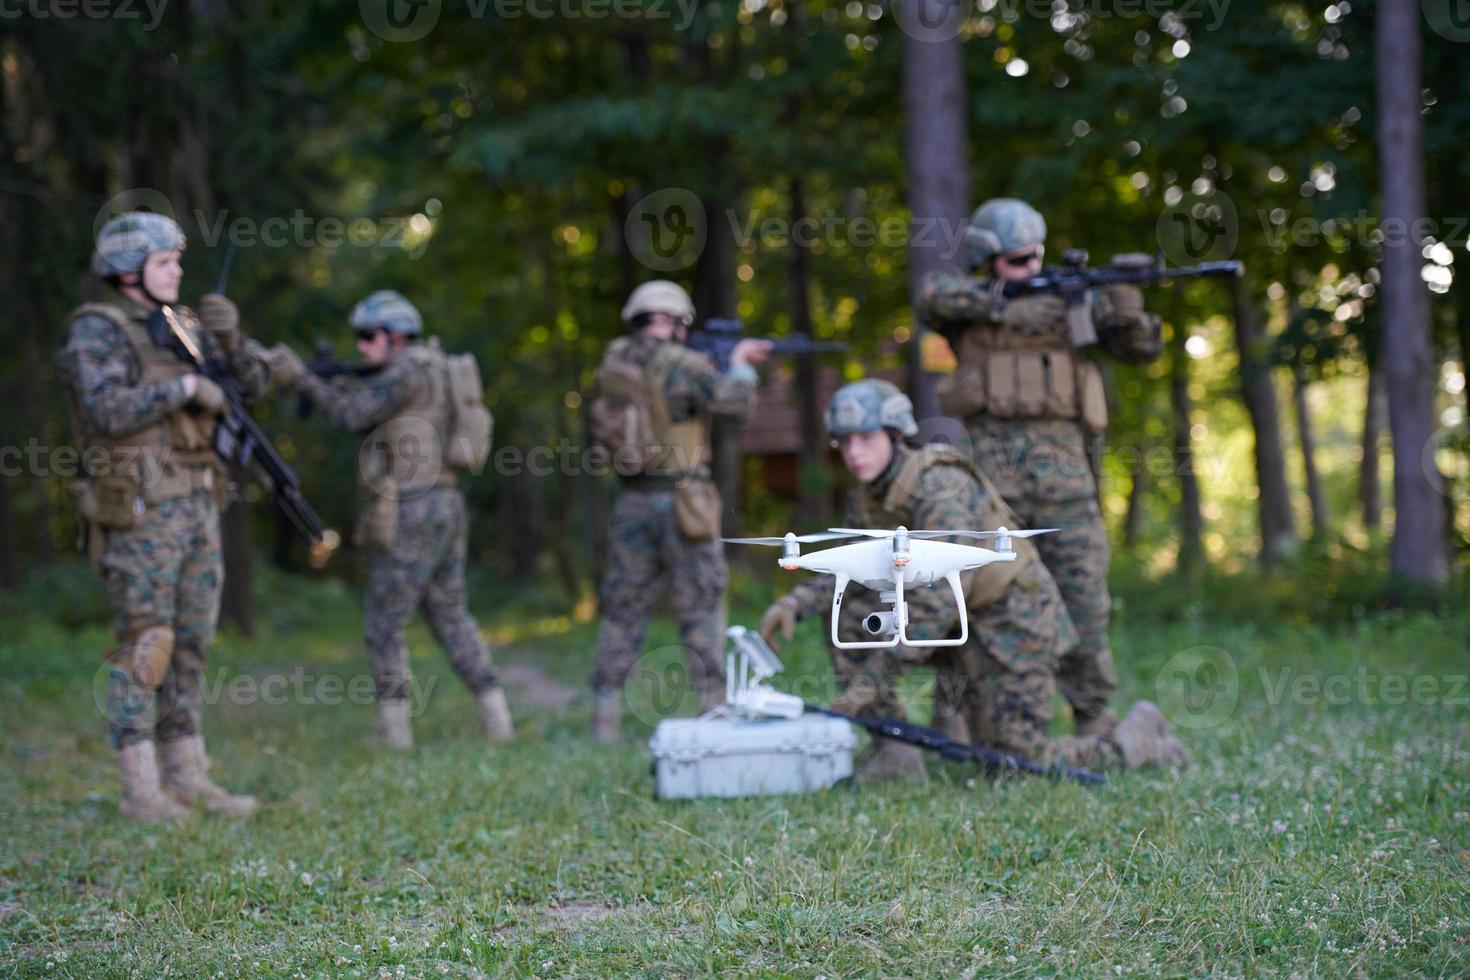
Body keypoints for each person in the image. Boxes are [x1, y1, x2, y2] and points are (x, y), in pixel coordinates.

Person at [758, 380, 1188, 782]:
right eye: (845, 441)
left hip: (1012, 620)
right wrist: (795, 603)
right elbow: (853, 565)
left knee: (1013, 762)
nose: (855, 452)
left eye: (866, 438)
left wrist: (871, 680)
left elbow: (942, 596)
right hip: (959, 625)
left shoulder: (940, 489)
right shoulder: (871, 496)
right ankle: (894, 749)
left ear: (895, 436)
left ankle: (1137, 740)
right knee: (854, 617)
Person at [917, 198, 1164, 738]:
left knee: (1084, 602)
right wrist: (1004, 307)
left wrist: (1127, 305)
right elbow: (931, 296)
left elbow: (1142, 348)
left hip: (1066, 489)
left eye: (1034, 259)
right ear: (988, 260)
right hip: (990, 492)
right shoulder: (971, 307)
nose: (1029, 270)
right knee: (969, 599)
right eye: (1015, 262)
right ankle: (955, 714)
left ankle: (1093, 716)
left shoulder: (1072, 305)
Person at [56, 212, 265, 821]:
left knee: (194, 644)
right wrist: (181, 392)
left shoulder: (186, 327)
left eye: (177, 259)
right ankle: (140, 790)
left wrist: (230, 339)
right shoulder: (97, 332)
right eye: (165, 261)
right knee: (148, 643)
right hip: (141, 509)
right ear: (129, 272)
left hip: (200, 504)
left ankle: (188, 775)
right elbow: (105, 410)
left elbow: (250, 386)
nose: (178, 270)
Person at [266, 290, 512, 751]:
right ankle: (498, 718)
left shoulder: (405, 371)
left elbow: (353, 413)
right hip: (446, 501)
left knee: (384, 623)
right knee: (450, 614)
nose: (360, 346)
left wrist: (303, 378)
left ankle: (394, 735)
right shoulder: (435, 368)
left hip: (413, 507)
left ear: (397, 336)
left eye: (368, 335)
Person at [586, 280, 771, 742]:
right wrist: (742, 366)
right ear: (674, 321)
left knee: (624, 607)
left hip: (632, 502)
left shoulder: (615, 361)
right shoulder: (685, 364)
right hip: (685, 503)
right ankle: (713, 711)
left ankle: (604, 719)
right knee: (702, 605)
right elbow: (736, 405)